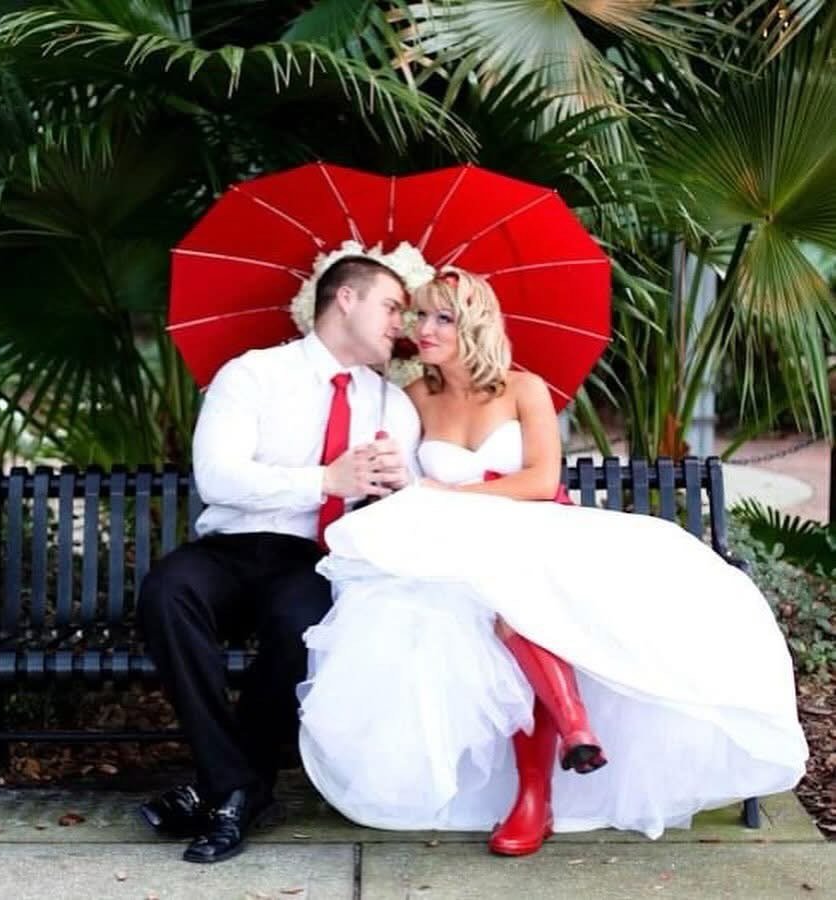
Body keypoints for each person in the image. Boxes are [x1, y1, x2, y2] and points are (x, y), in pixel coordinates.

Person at [297, 267, 808, 855]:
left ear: (476, 324)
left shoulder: (523, 389)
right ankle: (568, 739)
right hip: (451, 545)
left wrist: (453, 498)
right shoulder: (414, 397)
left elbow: (541, 480)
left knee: (523, 603)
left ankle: (545, 776)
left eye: (443, 317)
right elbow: (402, 473)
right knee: (471, 604)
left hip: (535, 529)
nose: (424, 329)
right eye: (418, 316)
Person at [137, 256, 421, 864]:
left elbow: (407, 514)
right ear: (346, 298)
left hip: (315, 560)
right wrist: (324, 479)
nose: (402, 322)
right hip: (230, 547)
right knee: (167, 593)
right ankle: (236, 787)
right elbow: (217, 477)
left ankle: (222, 792)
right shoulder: (253, 375)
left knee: (305, 627)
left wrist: (400, 488)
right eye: (392, 306)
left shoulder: (392, 405)